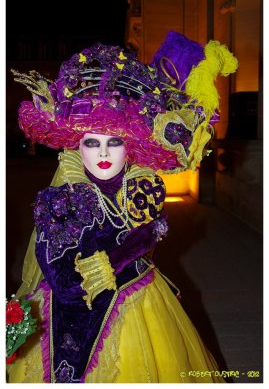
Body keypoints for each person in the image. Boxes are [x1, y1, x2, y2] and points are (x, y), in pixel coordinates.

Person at [8, 31, 238, 383]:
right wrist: (128, 250)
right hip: (80, 325)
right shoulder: (62, 199)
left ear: (130, 146)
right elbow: (65, 284)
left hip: (142, 297)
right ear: (75, 145)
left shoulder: (140, 186)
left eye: (114, 142)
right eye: (91, 142)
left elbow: (150, 230)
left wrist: (138, 243)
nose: (102, 154)